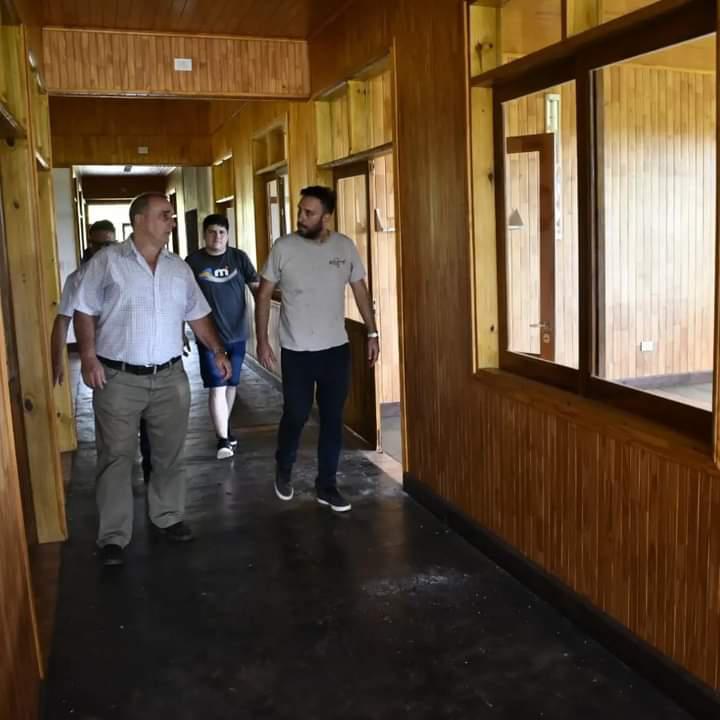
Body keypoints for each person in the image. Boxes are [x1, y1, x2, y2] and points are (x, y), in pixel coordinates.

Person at [73, 192, 232, 567]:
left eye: (172, 216)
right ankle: (113, 536)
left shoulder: (178, 268)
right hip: (118, 378)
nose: (171, 222)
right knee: (116, 457)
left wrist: (217, 350)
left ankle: (168, 516)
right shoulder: (107, 262)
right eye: (165, 215)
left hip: (170, 377)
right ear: (139, 220)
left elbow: (197, 314)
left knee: (169, 454)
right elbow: (83, 310)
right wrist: (89, 357)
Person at [255, 186, 380, 513]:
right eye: (300, 210)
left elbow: (360, 290)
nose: (300, 217)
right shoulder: (283, 248)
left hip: (335, 351)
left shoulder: (344, 247)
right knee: (296, 414)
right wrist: (262, 340)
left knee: (332, 419)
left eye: (308, 213)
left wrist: (372, 331)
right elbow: (264, 294)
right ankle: (284, 467)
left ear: (326, 217)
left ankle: (326, 486)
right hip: (297, 352)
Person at [186, 214, 259, 459]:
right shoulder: (193, 262)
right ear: (204, 235)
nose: (217, 237)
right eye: (211, 232)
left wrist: (263, 324)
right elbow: (182, 298)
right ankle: (223, 440)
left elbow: (257, 289)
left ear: (228, 235)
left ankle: (225, 429)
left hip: (237, 334)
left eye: (221, 232)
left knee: (231, 384)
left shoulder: (239, 258)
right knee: (217, 386)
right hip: (208, 337)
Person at [51, 220, 117, 386]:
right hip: (99, 356)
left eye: (108, 244)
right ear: (90, 245)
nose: (103, 250)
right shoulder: (77, 279)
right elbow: (62, 320)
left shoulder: (126, 273)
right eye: (98, 245)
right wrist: (58, 361)